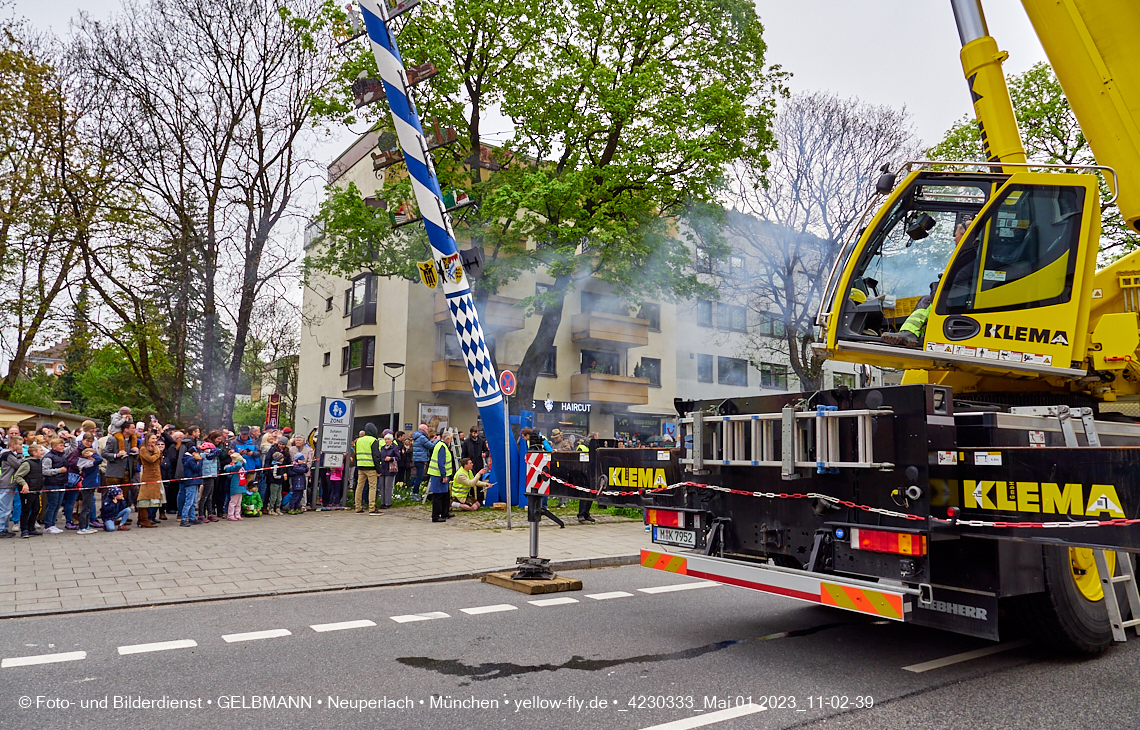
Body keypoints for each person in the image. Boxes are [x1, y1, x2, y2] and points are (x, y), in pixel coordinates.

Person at [882, 220, 969, 348]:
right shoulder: (970, 255)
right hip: (962, 297)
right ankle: (913, 334)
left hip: (960, 300)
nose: (954, 239)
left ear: (965, 235)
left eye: (956, 235)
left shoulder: (966, 256)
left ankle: (910, 333)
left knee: (927, 301)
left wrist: (939, 287)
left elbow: (958, 284)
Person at [13, 443, 47, 537]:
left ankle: (31, 528)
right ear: (34, 453)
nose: (42, 452)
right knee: (26, 510)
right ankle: (24, 530)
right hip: (27, 491)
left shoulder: (39, 462)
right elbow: (17, 476)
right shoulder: (27, 463)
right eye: (40, 450)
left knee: (36, 509)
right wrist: (24, 484)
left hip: (35, 490)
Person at [39, 437, 70, 533]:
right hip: (52, 483)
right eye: (60, 445)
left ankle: (53, 524)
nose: (62, 447)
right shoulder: (48, 457)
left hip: (61, 482)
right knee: (52, 504)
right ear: (54, 447)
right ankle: (48, 525)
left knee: (57, 504)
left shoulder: (63, 455)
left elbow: (73, 447)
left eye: (63, 445)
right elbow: (45, 471)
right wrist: (58, 471)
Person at [73, 439, 103, 535]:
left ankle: (86, 525)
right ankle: (82, 527)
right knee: (85, 508)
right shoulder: (86, 463)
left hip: (92, 485)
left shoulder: (89, 462)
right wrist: (92, 454)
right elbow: (100, 460)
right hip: (87, 486)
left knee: (89, 507)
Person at [135, 434, 164, 528]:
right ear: (147, 439)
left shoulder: (155, 449)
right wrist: (157, 452)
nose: (155, 440)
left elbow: (159, 461)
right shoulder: (144, 449)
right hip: (148, 476)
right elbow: (151, 460)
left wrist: (159, 453)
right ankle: (143, 519)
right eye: (153, 438)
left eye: (156, 438)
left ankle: (146, 519)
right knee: (144, 498)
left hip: (156, 476)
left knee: (151, 499)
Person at [426, 430, 455, 522]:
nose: (452, 440)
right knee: (438, 496)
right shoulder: (442, 447)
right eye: (451, 438)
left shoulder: (441, 445)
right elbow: (441, 462)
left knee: (445, 494)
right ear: (447, 438)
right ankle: (436, 516)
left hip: (440, 474)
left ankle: (444, 513)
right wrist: (444, 476)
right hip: (438, 474)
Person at [354, 423, 381, 514]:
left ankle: (358, 507)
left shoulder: (359, 440)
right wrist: (379, 469)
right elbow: (376, 456)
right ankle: (372, 508)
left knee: (359, 487)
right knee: (372, 487)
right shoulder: (373, 440)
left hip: (360, 466)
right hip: (371, 467)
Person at [0, 435, 22, 538]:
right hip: (6, 483)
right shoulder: (8, 455)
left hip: (9, 483)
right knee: (5, 508)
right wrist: (20, 454)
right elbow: (19, 465)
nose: (21, 447)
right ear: (13, 444)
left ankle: (4, 528)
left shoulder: (9, 454)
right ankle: (1, 529)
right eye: (20, 445)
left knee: (7, 508)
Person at [179, 442, 203, 527]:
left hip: (195, 482)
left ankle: (192, 518)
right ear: (194, 453)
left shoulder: (192, 460)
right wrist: (199, 461)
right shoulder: (190, 460)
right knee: (188, 502)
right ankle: (184, 519)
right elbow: (196, 469)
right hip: (191, 482)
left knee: (193, 502)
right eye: (198, 453)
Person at [198, 438, 221, 522]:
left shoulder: (213, 455)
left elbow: (218, 451)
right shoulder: (204, 456)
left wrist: (213, 450)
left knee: (210, 497)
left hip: (212, 476)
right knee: (204, 496)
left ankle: (210, 513)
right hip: (206, 477)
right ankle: (201, 514)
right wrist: (209, 452)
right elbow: (209, 456)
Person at [377, 432, 400, 509]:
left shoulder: (395, 447)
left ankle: (388, 503)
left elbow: (398, 458)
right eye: (386, 439)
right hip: (383, 468)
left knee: (388, 486)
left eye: (388, 439)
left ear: (391, 440)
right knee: (382, 486)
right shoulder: (383, 448)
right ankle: (382, 503)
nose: (387, 441)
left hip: (390, 469)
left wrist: (390, 458)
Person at [411, 424, 432, 498]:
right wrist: (436, 441)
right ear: (423, 430)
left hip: (417, 459)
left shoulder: (416, 437)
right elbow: (430, 446)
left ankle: (414, 493)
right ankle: (415, 494)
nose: (427, 431)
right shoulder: (422, 437)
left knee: (417, 476)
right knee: (419, 477)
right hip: (421, 459)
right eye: (427, 429)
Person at [224, 451, 245, 520]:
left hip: (241, 486)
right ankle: (230, 515)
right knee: (233, 502)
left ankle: (237, 514)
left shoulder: (241, 466)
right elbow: (238, 465)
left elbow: (244, 463)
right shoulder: (231, 467)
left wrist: (240, 457)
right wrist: (236, 460)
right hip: (235, 486)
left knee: (239, 502)